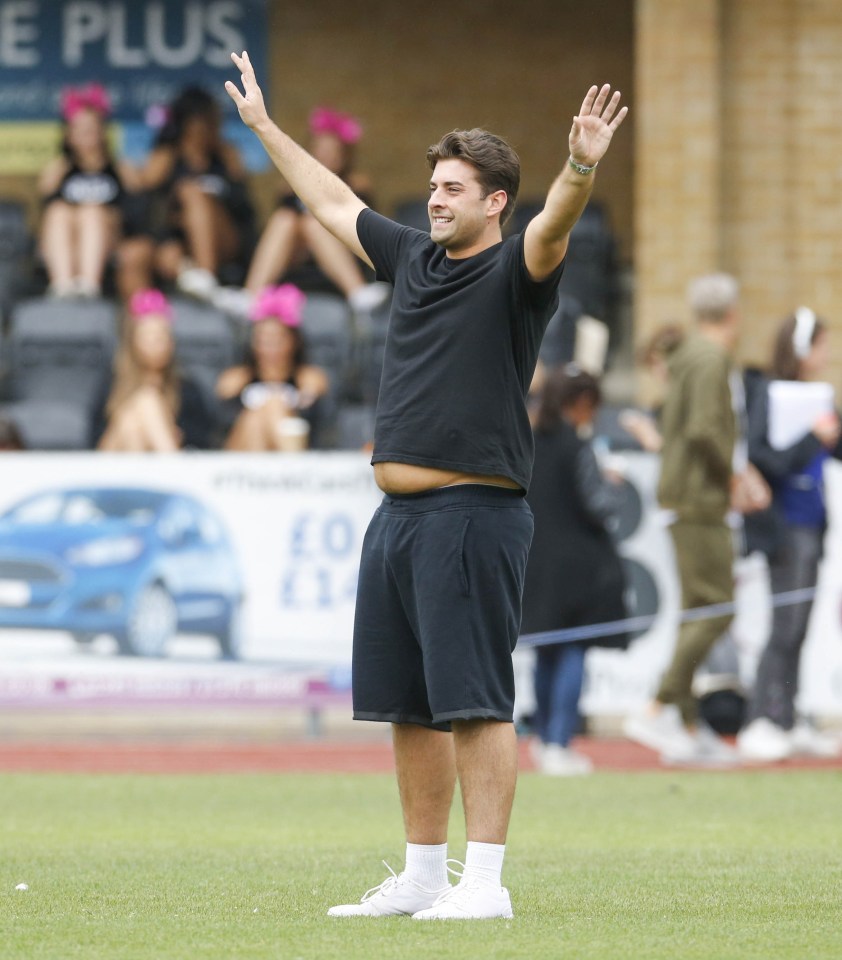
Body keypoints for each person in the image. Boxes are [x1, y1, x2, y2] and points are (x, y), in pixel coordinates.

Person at [227, 50, 627, 920]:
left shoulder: (519, 269)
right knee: (410, 706)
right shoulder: (410, 258)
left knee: (476, 702)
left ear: (494, 203)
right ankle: (422, 874)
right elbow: (330, 201)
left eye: (455, 188)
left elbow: (558, 220)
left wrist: (582, 163)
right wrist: (264, 130)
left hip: (474, 514)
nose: (436, 198)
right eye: (434, 185)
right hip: (399, 518)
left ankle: (484, 884)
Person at [623, 274, 743, 766]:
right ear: (733, 313)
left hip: (682, 494)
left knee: (697, 610)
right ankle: (657, 707)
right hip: (700, 497)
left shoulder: (687, 354)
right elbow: (704, 430)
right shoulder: (711, 358)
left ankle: (688, 726)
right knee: (718, 609)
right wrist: (731, 478)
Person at [737, 308, 842, 761]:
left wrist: (830, 436)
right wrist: (812, 439)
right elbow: (764, 457)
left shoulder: (822, 396)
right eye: (818, 345)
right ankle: (763, 716)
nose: (825, 354)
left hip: (813, 523)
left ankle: (787, 715)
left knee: (799, 628)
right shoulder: (766, 392)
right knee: (785, 625)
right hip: (785, 524)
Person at [521, 365, 628, 776]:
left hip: (535, 559)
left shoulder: (527, 440)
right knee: (572, 650)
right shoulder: (576, 446)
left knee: (546, 651)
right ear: (581, 404)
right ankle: (560, 742)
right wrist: (614, 484)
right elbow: (597, 507)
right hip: (577, 566)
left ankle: (544, 738)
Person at [217, 105, 389, 318]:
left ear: (344, 156)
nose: (325, 156)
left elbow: (365, 230)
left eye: (332, 151)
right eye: (319, 149)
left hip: (343, 255)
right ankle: (251, 296)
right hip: (297, 259)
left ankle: (357, 291)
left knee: (313, 223)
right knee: (286, 218)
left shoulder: (358, 184)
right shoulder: (290, 186)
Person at [131, 86, 254, 299]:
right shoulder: (166, 157)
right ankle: (189, 278)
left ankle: (206, 276)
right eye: (205, 122)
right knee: (154, 254)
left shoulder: (227, 155)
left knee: (192, 192)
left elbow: (243, 209)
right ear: (187, 123)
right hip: (176, 240)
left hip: (224, 237)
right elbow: (146, 206)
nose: (211, 129)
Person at [38, 84, 136, 299]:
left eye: (90, 129)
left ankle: (88, 286)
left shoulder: (120, 168)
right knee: (58, 211)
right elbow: (44, 202)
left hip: (109, 241)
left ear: (102, 132)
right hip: (69, 241)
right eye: (78, 130)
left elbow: (135, 209)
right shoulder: (60, 169)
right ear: (68, 135)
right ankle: (62, 286)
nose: (85, 136)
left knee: (91, 211)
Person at [91, 289, 214, 451]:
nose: (158, 344)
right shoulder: (112, 384)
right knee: (140, 408)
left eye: (162, 336)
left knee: (135, 424)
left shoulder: (186, 387)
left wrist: (172, 431)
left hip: (159, 453)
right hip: (113, 460)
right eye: (149, 337)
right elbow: (95, 440)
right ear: (133, 342)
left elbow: (201, 439)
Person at [216, 284, 329, 450]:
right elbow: (223, 420)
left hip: (294, 447)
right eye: (263, 339)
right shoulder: (236, 378)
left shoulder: (308, 377)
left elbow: (312, 401)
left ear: (294, 341)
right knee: (255, 418)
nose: (270, 347)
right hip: (240, 451)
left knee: (270, 408)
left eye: (277, 339)